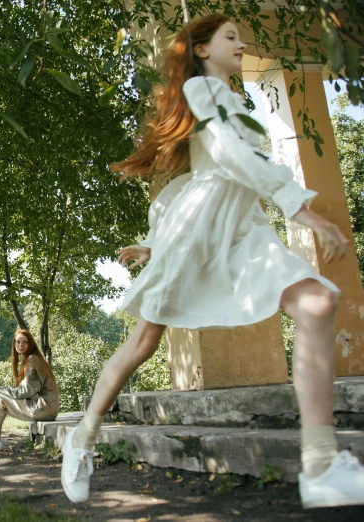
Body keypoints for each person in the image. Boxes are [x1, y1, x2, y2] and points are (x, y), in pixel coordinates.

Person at [60, 14, 364, 509]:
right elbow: (225, 160)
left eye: (241, 37)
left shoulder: (234, 100)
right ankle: (81, 438)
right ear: (201, 50)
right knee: (144, 342)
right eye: (230, 37)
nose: (241, 44)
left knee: (316, 304)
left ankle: (321, 464)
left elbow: (218, 179)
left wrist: (155, 242)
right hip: (202, 232)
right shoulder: (204, 94)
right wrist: (302, 210)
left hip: (243, 230)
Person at [0, 329, 59, 455]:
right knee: (1, 399)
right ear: (14, 344)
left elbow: (26, 391)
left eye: (25, 342)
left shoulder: (32, 359)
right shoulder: (31, 359)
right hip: (46, 407)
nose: (21, 345)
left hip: (43, 407)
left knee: (0, 396)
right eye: (18, 342)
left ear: (30, 344)